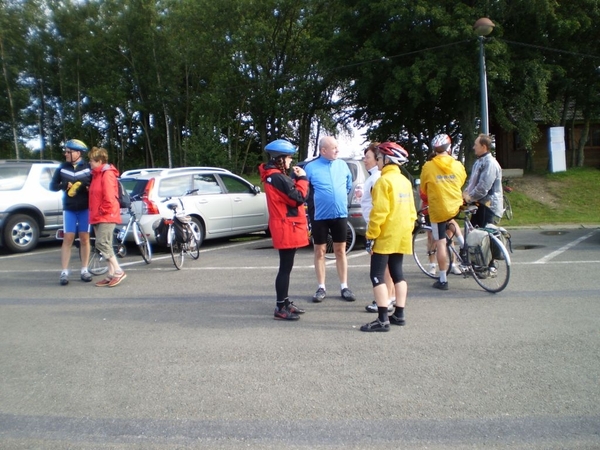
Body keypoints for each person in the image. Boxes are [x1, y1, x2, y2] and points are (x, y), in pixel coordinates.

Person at [360, 142, 416, 332]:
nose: (378, 161)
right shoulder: (405, 181)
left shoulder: (383, 182)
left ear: (386, 160)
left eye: (380, 158)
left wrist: (371, 235)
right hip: (401, 235)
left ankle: (382, 318)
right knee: (398, 274)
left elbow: (379, 213)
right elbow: (411, 212)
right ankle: (399, 314)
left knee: (376, 275)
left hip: (385, 236)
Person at [259, 139, 310, 320]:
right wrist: (303, 179)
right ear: (280, 158)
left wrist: (295, 179)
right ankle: (281, 306)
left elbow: (288, 194)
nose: (290, 161)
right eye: (288, 157)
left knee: (286, 267)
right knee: (285, 268)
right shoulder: (278, 177)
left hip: (285, 225)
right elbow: (298, 198)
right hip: (287, 226)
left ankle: (285, 302)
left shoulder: (275, 176)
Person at [304, 136, 356, 303]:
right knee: (320, 251)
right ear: (323, 150)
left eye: (337, 147)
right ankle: (321, 287)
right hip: (319, 216)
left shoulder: (342, 165)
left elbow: (348, 185)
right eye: (334, 148)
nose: (337, 151)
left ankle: (344, 286)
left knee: (341, 250)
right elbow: (305, 190)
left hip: (340, 214)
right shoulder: (310, 167)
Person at [420, 134, 467, 290]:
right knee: (452, 219)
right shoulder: (458, 165)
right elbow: (461, 181)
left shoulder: (428, 166)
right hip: (455, 205)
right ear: (449, 148)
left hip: (438, 209)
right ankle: (464, 244)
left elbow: (423, 191)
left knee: (440, 242)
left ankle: (443, 279)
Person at [50, 139, 93, 285]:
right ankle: (64, 271)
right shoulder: (62, 168)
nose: (66, 154)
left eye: (69, 152)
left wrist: (88, 188)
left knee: (84, 238)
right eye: (66, 151)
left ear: (78, 153)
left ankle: (84, 269)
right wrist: (63, 185)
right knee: (68, 238)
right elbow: (52, 186)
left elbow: (94, 186)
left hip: (85, 208)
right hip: (69, 208)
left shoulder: (88, 168)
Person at [360, 143, 396, 313]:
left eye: (368, 157)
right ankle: (392, 296)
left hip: (378, 227)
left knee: (383, 267)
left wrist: (372, 233)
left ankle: (385, 299)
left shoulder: (377, 178)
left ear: (377, 160)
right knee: (389, 265)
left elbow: (378, 207)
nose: (364, 160)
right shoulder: (376, 178)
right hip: (381, 226)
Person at [88, 147, 126, 287]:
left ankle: (118, 271)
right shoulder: (97, 175)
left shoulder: (107, 174)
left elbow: (109, 196)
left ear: (99, 161)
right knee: (106, 245)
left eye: (91, 160)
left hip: (106, 214)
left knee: (101, 243)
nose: (90, 163)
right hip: (99, 215)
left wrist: (101, 210)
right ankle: (111, 274)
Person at [463, 134, 503, 228]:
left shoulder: (490, 163)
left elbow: (483, 187)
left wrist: (469, 197)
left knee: (484, 237)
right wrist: (465, 192)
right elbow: (472, 182)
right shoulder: (479, 162)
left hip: (488, 206)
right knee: (474, 235)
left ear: (484, 147)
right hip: (479, 204)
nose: (473, 147)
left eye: (476, 145)